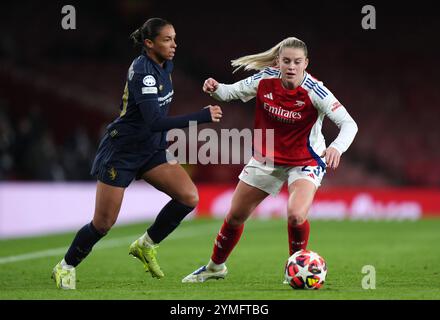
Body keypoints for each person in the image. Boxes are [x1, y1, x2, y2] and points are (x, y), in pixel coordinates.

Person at [51, 18, 223, 289]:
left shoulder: (166, 64)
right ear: (149, 43)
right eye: (167, 39)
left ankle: (146, 245)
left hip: (151, 149)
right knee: (103, 224)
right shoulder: (143, 71)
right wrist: (200, 116)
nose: (174, 44)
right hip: (123, 151)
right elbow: (153, 120)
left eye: (174, 38)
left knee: (188, 197)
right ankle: (65, 266)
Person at [182, 37, 358, 283]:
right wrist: (216, 88)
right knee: (234, 216)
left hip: (305, 160)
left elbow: (349, 124)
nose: (291, 66)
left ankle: (295, 270)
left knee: (296, 215)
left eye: (297, 62)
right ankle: (215, 267)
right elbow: (230, 92)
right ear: (278, 62)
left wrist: (337, 147)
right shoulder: (265, 79)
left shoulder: (316, 90)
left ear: (305, 63)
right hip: (267, 158)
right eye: (286, 61)